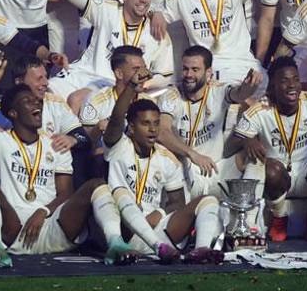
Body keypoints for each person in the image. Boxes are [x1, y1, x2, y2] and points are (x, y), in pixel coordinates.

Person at [0, 54, 120, 266]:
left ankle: (115, 243)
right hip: (13, 230)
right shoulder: (2, 141)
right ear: (13, 113)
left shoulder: (56, 143)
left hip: (52, 226)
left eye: (36, 102)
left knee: (96, 185)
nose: (37, 104)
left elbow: (66, 194)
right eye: (28, 101)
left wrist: (42, 212)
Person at [102, 75, 223, 263]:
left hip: (155, 229)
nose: (153, 129)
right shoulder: (118, 146)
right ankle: (155, 246)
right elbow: (117, 119)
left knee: (208, 200)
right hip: (122, 229)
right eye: (145, 123)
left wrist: (158, 214)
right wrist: (132, 87)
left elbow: (177, 202)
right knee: (119, 192)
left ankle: (202, 250)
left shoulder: (167, 158)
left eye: (156, 123)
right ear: (132, 128)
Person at [227, 57, 307, 241]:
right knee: (270, 169)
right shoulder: (261, 109)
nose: (292, 85)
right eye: (284, 81)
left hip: (305, 170)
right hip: (277, 175)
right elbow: (236, 138)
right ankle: (279, 219)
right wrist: (248, 140)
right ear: (272, 87)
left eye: (295, 79)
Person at [53, 0, 171, 112]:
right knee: (45, 92)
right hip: (83, 72)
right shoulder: (106, 9)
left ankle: (76, 136)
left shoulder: (157, 29)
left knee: (76, 100)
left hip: (114, 84)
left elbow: (164, 75)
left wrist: (141, 84)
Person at [156, 47, 260, 198]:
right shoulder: (171, 96)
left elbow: (238, 94)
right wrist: (193, 155)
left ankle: (249, 215)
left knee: (256, 158)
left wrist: (248, 87)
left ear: (209, 73)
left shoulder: (218, 90)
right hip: (188, 169)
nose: (189, 75)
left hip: (218, 168)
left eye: (195, 69)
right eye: (185, 69)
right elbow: (162, 131)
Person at [158, 0, 264, 87]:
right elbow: (154, 12)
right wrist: (156, 13)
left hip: (245, 62)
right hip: (212, 67)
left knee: (268, 89)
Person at [79, 46, 151, 145]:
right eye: (136, 69)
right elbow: (85, 144)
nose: (143, 74)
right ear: (119, 74)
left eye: (144, 69)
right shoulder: (95, 101)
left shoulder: (149, 102)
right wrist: (98, 129)